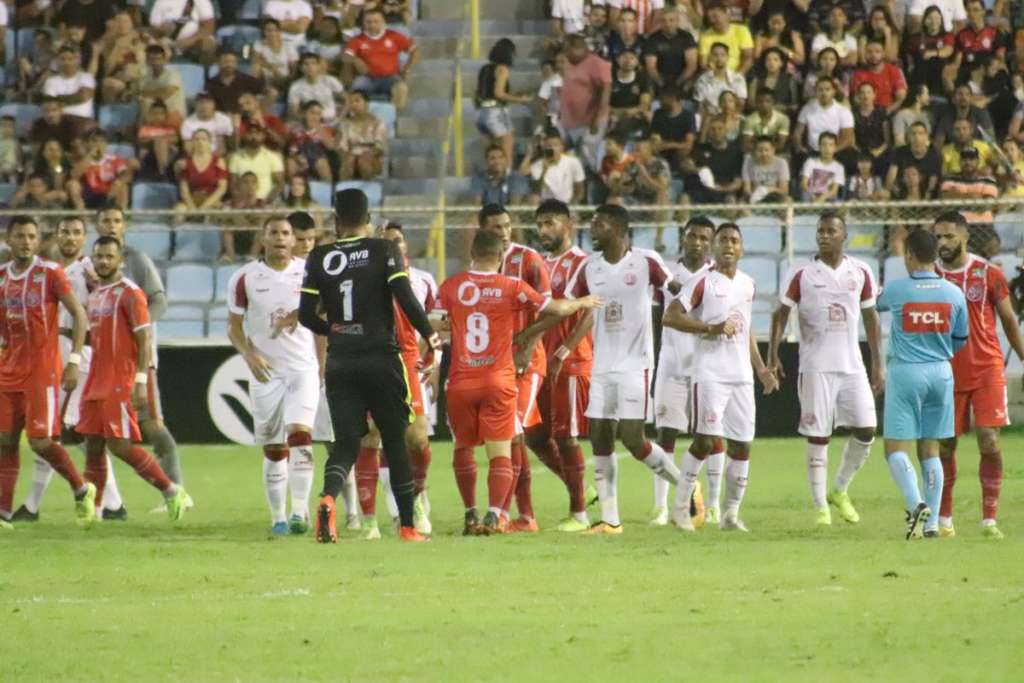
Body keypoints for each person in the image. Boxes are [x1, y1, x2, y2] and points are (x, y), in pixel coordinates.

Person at [298, 188, 442, 544]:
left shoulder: (319, 256)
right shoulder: (383, 249)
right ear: (370, 220)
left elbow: (305, 316)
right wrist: (430, 336)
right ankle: (407, 526)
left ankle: (329, 500)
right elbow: (405, 297)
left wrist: (333, 331)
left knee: (348, 441)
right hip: (381, 357)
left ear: (335, 220)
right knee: (394, 439)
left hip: (341, 359)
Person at [435, 230, 600, 535]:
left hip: (460, 380)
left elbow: (433, 320)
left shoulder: (452, 285)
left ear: (472, 253)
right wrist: (581, 302)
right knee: (503, 449)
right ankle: (495, 514)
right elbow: (555, 309)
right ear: (500, 258)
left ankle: (470, 513)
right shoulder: (511, 285)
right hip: (497, 378)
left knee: (463, 448)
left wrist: (451, 324)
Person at [565, 204, 684, 534]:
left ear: (618, 229)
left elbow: (677, 289)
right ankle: (611, 520)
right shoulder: (589, 268)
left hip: (636, 364)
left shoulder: (646, 261)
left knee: (632, 438)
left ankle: (686, 488)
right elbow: (569, 303)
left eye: (598, 224)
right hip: (602, 365)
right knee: (600, 437)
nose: (592, 229)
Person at [664, 222, 780, 532]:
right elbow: (671, 316)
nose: (729, 245)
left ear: (742, 248)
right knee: (705, 440)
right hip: (710, 374)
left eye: (734, 241)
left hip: (741, 376)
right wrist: (710, 328)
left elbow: (746, 330)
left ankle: (730, 515)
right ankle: (679, 510)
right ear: (715, 247)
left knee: (742, 445)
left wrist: (761, 370)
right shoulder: (703, 282)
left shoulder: (748, 284)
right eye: (723, 240)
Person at [769, 212, 883, 526]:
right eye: (820, 231)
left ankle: (839, 489)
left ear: (844, 235)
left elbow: (872, 320)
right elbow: (779, 315)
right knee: (819, 436)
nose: (824, 236)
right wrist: (773, 354)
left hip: (852, 367)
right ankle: (821, 507)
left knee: (866, 430)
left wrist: (878, 364)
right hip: (815, 366)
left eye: (831, 231)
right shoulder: (802, 272)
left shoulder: (861, 270)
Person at [11, 218, 126, 523]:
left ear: (84, 238)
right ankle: (109, 503)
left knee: (69, 430)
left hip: (79, 353)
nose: (70, 238)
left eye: (77, 233)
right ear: (56, 236)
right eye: (65, 232)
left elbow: (108, 300)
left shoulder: (89, 269)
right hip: (52, 350)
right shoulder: (48, 270)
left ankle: (105, 501)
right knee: (60, 431)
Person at [77, 236, 190, 521]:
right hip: (96, 379)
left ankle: (171, 490)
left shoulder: (131, 293)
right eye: (99, 256)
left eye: (109, 256)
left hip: (120, 379)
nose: (103, 261)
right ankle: (97, 510)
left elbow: (144, 338)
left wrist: (140, 379)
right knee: (92, 443)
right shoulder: (97, 294)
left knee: (119, 445)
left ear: (120, 261)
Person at [932, 211, 1024, 539]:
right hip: (945, 372)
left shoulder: (988, 273)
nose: (942, 243)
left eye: (948, 236)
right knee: (945, 445)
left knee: (989, 439)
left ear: (965, 236)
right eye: (937, 237)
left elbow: (1009, 320)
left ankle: (989, 520)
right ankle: (944, 519)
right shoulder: (928, 276)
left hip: (986, 368)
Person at [0, 216, 95, 530]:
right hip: (8, 371)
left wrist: (74, 360)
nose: (26, 241)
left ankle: (81, 489)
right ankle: (3, 513)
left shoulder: (49, 273)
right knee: (5, 441)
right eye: (20, 236)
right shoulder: (1, 277)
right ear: (9, 239)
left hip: (42, 373)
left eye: (31, 236)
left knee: (41, 442)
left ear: (38, 240)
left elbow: (79, 315)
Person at [227, 218, 319, 535]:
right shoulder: (245, 278)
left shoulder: (309, 271)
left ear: (294, 240)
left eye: (285, 233)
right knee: (274, 448)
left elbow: (325, 311)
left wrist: (300, 314)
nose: (280, 238)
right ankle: (277, 517)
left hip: (302, 368)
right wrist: (249, 355)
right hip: (266, 371)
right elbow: (233, 327)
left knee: (300, 433)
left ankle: (299, 511)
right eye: (274, 233)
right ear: (263, 238)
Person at [876, 228, 968, 539]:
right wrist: (939, 353)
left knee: (894, 449)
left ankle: (916, 504)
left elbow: (872, 306)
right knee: (930, 449)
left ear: (911, 255)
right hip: (941, 372)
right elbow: (961, 337)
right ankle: (930, 526)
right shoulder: (954, 293)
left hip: (906, 372)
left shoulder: (898, 290)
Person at [508, 200, 594, 531]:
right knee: (535, 436)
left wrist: (566, 348)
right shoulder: (538, 262)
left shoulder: (582, 263)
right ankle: (583, 492)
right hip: (540, 361)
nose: (543, 231)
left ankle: (579, 514)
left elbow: (589, 309)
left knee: (567, 436)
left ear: (568, 224)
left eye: (550, 223)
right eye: (539, 224)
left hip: (570, 361)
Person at [353, 224, 439, 539]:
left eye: (397, 240)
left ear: (405, 246)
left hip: (406, 360)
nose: (392, 245)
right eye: (385, 241)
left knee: (416, 438)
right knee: (371, 436)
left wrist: (432, 360)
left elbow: (436, 323)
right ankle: (369, 521)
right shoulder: (361, 274)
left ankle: (415, 497)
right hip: (371, 357)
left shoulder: (423, 281)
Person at [477, 204, 552, 532]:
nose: (504, 232)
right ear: (483, 230)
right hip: (498, 365)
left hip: (527, 362)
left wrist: (528, 345)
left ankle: (506, 514)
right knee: (512, 437)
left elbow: (550, 310)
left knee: (511, 433)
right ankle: (523, 515)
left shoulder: (530, 260)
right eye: (496, 228)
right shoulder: (480, 267)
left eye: (507, 226)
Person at [651, 216, 719, 525]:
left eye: (704, 238)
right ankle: (661, 507)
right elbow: (660, 290)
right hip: (671, 362)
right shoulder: (667, 272)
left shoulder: (717, 277)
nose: (697, 242)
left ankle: (714, 503)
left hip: (705, 364)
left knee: (710, 432)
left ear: (712, 243)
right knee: (665, 431)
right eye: (692, 236)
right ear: (683, 239)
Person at [342, 7, 419, 111]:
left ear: (383, 22)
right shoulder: (358, 39)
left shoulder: (394, 36)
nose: (372, 25)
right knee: (355, 89)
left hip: (390, 78)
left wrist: (407, 69)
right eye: (368, 22)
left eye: (376, 21)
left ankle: (394, 116)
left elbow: (415, 51)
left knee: (401, 88)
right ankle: (361, 118)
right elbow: (346, 55)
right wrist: (356, 59)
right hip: (367, 79)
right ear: (363, 23)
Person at [559, 34, 612, 173]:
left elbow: (605, 91)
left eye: (567, 50)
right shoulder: (568, 63)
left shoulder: (597, 64)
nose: (565, 54)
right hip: (571, 121)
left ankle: (598, 182)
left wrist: (596, 118)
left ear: (579, 48)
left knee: (589, 155)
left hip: (591, 121)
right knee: (576, 161)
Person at [475, 38, 532, 165]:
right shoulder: (502, 69)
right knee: (506, 155)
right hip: (496, 113)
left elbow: (481, 92)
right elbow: (499, 93)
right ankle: (507, 179)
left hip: (482, 114)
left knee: (491, 156)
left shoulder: (484, 69)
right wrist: (521, 100)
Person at [643, 7, 698, 93]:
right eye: (663, 21)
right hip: (660, 78)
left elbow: (691, 65)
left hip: (682, 77)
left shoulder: (686, 37)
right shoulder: (652, 39)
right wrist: (661, 84)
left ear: (677, 21)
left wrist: (678, 83)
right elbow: (651, 68)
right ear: (660, 23)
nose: (667, 24)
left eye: (671, 20)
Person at [337, 90, 388, 181]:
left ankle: (369, 190)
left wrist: (369, 154)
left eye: (357, 101)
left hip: (372, 157)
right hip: (352, 156)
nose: (354, 105)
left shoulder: (377, 122)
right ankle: (344, 190)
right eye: (351, 102)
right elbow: (342, 145)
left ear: (366, 104)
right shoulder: (346, 123)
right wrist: (347, 155)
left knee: (363, 161)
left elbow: (380, 146)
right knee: (348, 162)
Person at [148, 0, 217, 65]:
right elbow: (153, 30)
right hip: (167, 42)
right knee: (153, 44)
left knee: (208, 42)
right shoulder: (161, 1)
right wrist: (161, 30)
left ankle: (205, 74)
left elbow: (208, 28)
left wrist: (191, 40)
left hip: (194, 43)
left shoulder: (201, 1)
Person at [527, 129, 586, 204]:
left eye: (555, 145)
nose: (552, 148)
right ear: (544, 147)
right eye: (549, 146)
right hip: (546, 205)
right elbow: (536, 191)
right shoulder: (538, 165)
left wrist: (572, 206)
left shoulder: (573, 162)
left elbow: (580, 190)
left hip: (567, 205)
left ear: (562, 147)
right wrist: (544, 170)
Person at [851, 38, 908, 114]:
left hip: (889, 112)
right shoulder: (859, 74)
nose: (873, 55)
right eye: (869, 52)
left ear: (883, 53)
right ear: (865, 54)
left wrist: (886, 112)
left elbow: (901, 97)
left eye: (877, 52)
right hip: (866, 113)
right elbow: (856, 99)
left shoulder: (894, 71)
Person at [42, 46, 96, 124]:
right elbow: (51, 104)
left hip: (83, 121)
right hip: (59, 122)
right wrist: (73, 98)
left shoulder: (86, 77)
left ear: (76, 61)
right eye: (62, 59)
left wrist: (58, 100)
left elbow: (83, 96)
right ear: (57, 61)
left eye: (70, 59)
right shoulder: (50, 81)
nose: (66, 62)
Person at [288, 53, 346, 123]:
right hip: (310, 122)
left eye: (313, 63)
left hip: (331, 120)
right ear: (301, 67)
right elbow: (294, 111)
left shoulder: (329, 80)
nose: (310, 67)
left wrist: (339, 118)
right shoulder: (296, 86)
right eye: (306, 64)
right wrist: (307, 121)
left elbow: (347, 100)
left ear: (318, 66)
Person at [698, 2, 754, 75]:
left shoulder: (741, 30)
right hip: (714, 75)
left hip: (737, 74)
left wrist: (737, 77)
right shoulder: (705, 36)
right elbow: (703, 63)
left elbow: (748, 58)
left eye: (716, 16)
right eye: (710, 18)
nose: (713, 21)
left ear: (727, 14)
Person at [204, 49, 266, 115]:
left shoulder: (245, 79)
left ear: (236, 64)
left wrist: (259, 72)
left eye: (232, 62)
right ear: (218, 63)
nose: (229, 65)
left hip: (243, 118)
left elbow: (262, 89)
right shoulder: (211, 83)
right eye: (226, 61)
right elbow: (208, 103)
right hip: (220, 119)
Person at [742, 135, 790, 202]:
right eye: (760, 150)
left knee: (788, 200)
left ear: (773, 150)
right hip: (754, 197)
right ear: (755, 150)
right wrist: (754, 196)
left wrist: (766, 190)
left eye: (767, 150)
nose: (763, 153)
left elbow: (784, 190)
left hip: (775, 196)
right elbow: (747, 189)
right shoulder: (748, 161)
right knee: (741, 202)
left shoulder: (781, 163)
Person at [800, 132, 845, 203]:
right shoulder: (810, 162)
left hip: (828, 200)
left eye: (831, 145)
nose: (827, 148)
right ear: (819, 147)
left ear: (835, 148)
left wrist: (823, 197)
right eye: (824, 145)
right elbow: (804, 184)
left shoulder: (839, 167)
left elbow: (834, 191)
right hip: (810, 198)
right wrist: (812, 196)